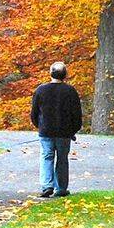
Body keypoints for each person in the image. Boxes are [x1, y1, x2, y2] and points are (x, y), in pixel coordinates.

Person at [30, 61, 82, 198]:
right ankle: (61, 188)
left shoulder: (41, 90)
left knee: (47, 156)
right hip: (64, 132)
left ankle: (47, 185)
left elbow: (34, 113)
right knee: (62, 159)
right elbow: (77, 114)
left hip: (46, 131)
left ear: (50, 73)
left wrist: (40, 126)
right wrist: (73, 130)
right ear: (65, 75)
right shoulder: (70, 91)